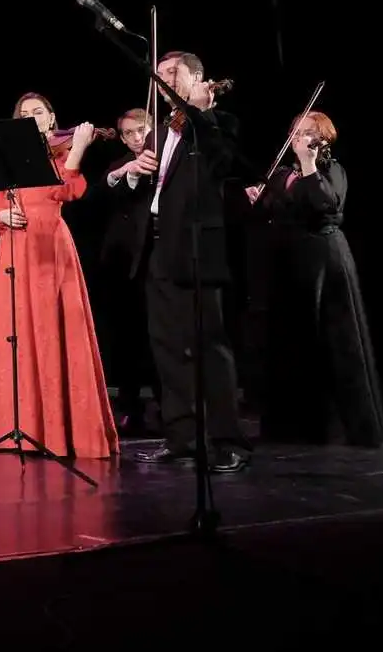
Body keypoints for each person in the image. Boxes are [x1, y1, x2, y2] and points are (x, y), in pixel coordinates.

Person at [0, 93, 118, 460]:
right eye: (24, 113)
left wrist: (79, 149)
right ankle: (20, 430)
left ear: (51, 118)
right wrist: (1, 217)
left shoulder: (60, 154)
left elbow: (65, 190)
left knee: (53, 331)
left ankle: (60, 432)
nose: (31, 117)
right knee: (17, 335)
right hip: (14, 250)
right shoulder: (6, 159)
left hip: (49, 249)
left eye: (38, 111)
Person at [133, 51, 250, 472]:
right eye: (159, 73)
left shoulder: (220, 122)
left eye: (172, 72)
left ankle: (228, 442)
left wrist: (201, 114)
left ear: (198, 78)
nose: (163, 78)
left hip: (199, 248)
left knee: (209, 347)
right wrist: (135, 170)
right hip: (159, 247)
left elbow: (222, 163)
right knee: (167, 349)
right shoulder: (163, 130)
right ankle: (182, 439)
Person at [245, 112, 383, 447]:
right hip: (288, 263)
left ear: (322, 139)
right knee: (291, 342)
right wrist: (259, 201)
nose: (299, 138)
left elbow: (326, 205)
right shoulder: (281, 174)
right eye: (296, 132)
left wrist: (309, 165)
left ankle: (346, 428)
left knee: (334, 341)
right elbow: (274, 213)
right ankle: (292, 427)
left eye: (308, 132)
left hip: (324, 261)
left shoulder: (331, 170)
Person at [99, 107, 162, 435]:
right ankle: (129, 407)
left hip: (158, 258)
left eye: (142, 131)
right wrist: (130, 172)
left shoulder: (167, 160)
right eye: (129, 134)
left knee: (161, 337)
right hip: (123, 263)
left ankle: (167, 407)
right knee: (126, 337)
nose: (137, 138)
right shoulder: (119, 165)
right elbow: (106, 191)